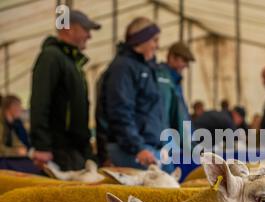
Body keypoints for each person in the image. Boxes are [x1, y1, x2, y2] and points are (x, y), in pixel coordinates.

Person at [30, 10, 101, 170]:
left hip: (74, 150)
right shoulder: (51, 57)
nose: (89, 36)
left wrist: (87, 150)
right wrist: (42, 145)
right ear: (69, 29)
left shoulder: (72, 62)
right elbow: (40, 101)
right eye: (86, 29)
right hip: (59, 150)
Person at [102, 17, 165, 169]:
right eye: (154, 40)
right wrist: (137, 147)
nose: (157, 45)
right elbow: (120, 110)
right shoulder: (123, 68)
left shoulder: (145, 67)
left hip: (148, 148)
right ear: (141, 40)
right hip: (133, 151)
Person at [157, 42, 195, 149]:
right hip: (167, 142)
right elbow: (164, 116)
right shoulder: (163, 80)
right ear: (172, 57)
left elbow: (182, 114)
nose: (186, 66)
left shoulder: (174, 81)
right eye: (184, 61)